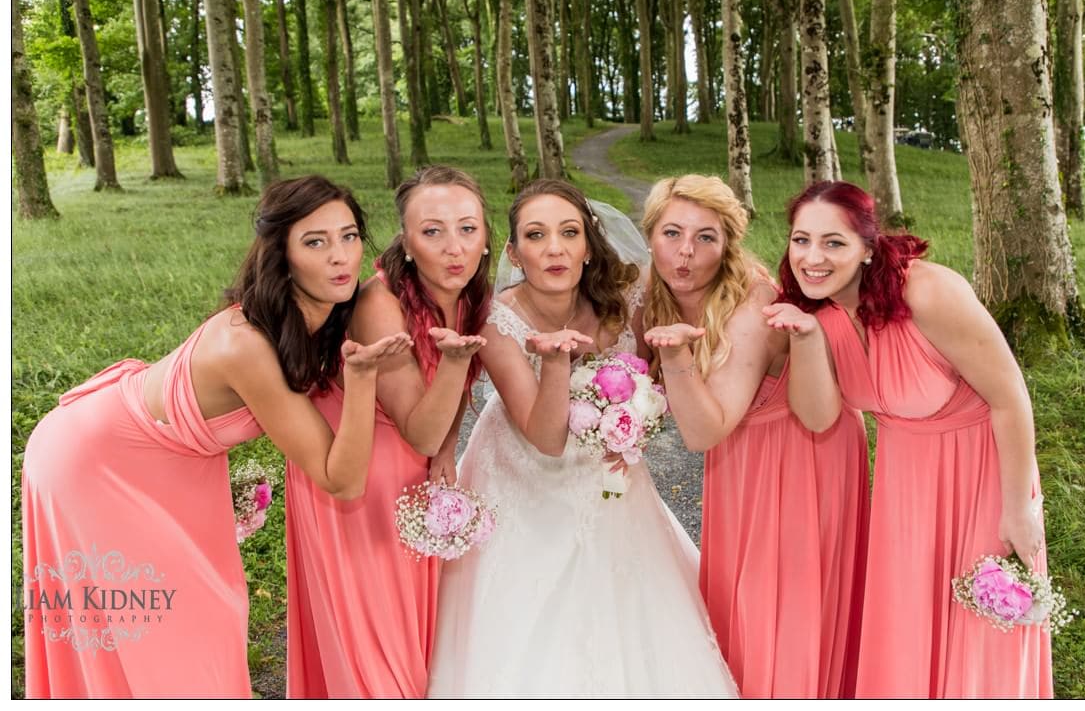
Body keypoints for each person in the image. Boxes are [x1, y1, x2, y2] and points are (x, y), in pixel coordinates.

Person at [20, 176, 406, 699]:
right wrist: (361, 379)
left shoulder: (314, 316)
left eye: (350, 235)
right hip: (95, 460)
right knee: (170, 624)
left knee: (205, 614)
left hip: (170, 464)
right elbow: (340, 478)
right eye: (315, 241)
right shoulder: (246, 344)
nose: (341, 256)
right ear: (283, 254)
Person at [427, 179, 737, 699]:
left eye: (569, 233)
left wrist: (633, 418)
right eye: (536, 234)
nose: (554, 248)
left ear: (589, 247)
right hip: (523, 474)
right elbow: (545, 438)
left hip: (608, 476)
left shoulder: (623, 304)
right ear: (512, 252)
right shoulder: (498, 320)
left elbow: (656, 378)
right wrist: (554, 362)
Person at [765, 180, 1052, 698]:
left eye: (834, 242)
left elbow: (1010, 396)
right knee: (906, 619)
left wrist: (1017, 508)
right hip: (904, 480)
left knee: (977, 629)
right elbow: (818, 417)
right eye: (801, 240)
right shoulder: (819, 312)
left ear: (868, 248)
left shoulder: (927, 291)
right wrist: (805, 340)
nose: (813, 257)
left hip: (982, 473)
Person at [640, 175, 868, 698]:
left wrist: (674, 360)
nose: (686, 253)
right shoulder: (659, 297)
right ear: (649, 235)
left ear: (727, 246)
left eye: (706, 238)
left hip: (801, 460)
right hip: (741, 465)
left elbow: (701, 431)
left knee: (781, 620)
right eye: (672, 233)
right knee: (737, 616)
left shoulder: (754, 307)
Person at [285, 166, 492, 698]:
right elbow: (421, 427)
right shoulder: (381, 305)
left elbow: (443, 413)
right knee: (378, 652)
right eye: (432, 231)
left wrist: (449, 447)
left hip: (409, 476)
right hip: (359, 475)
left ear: (488, 236)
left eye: (468, 229)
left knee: (414, 640)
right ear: (405, 242)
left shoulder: (467, 294)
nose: (454, 248)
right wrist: (450, 375)